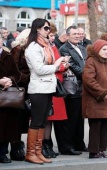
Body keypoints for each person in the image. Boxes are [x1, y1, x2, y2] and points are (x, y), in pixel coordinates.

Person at [24, 18, 66, 164]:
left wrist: (60, 63)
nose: (49, 31)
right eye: (46, 28)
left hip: (48, 87)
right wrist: (57, 64)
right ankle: (30, 153)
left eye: (49, 28)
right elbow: (39, 69)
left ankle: (37, 151)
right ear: (38, 30)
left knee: (43, 121)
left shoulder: (45, 46)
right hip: (38, 88)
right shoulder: (33, 47)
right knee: (36, 121)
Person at [58, 25, 87, 155]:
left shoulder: (82, 48)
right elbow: (73, 67)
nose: (77, 36)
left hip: (83, 88)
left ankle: (79, 143)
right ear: (67, 36)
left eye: (78, 34)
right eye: (74, 34)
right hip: (72, 87)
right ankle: (68, 146)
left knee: (80, 118)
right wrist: (88, 75)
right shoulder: (64, 49)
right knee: (71, 118)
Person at [42, 23, 68, 158]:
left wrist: (64, 65)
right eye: (51, 35)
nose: (53, 38)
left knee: (51, 119)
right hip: (48, 85)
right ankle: (44, 145)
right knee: (46, 118)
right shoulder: (43, 48)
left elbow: (58, 64)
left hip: (56, 85)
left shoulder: (53, 47)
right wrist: (62, 66)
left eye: (53, 35)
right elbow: (52, 65)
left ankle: (48, 145)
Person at [9, 29, 31, 161]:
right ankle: (16, 147)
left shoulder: (31, 49)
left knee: (23, 121)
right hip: (18, 89)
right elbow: (14, 70)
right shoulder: (17, 50)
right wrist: (29, 76)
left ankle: (18, 146)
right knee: (16, 121)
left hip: (28, 89)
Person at [0, 37, 22, 164]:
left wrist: (10, 80)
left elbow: (17, 74)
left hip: (6, 97)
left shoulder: (8, 55)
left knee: (6, 126)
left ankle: (2, 153)